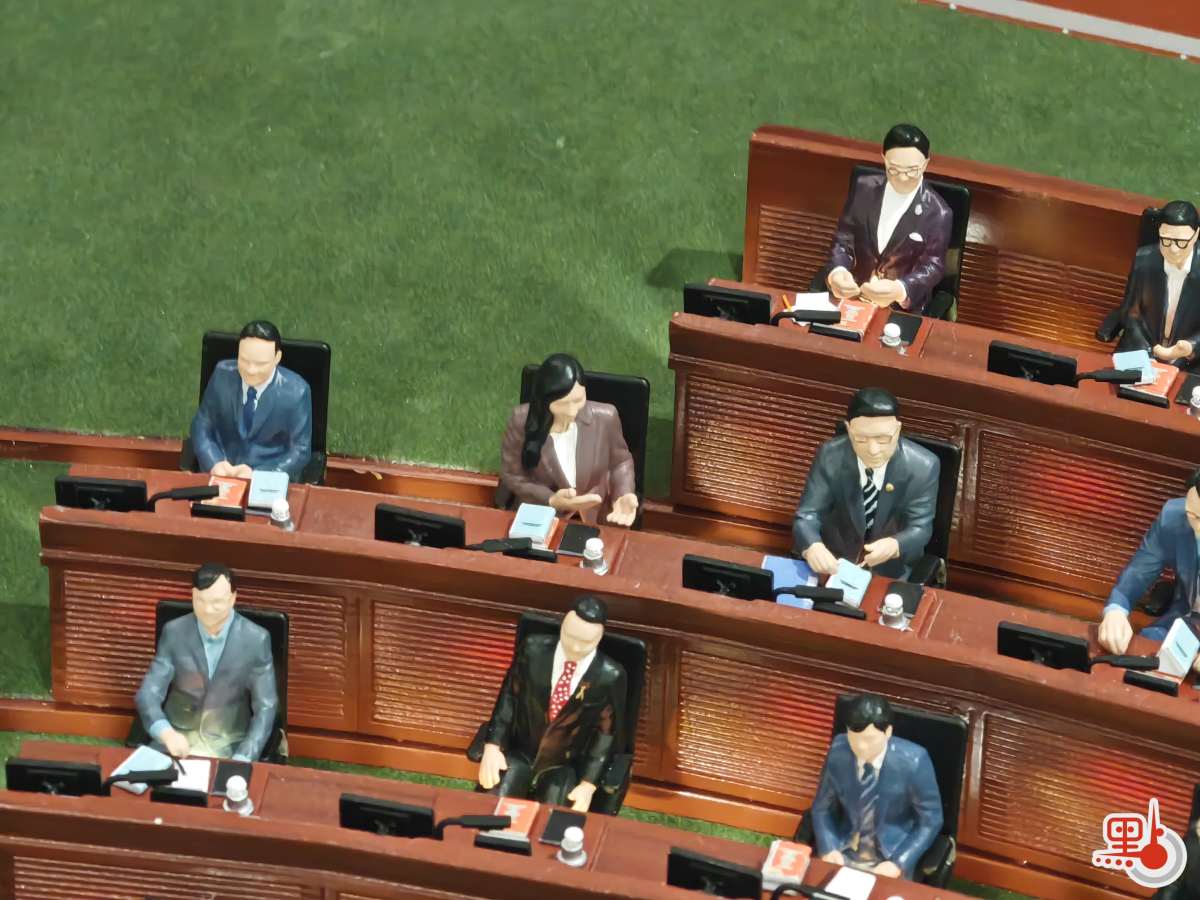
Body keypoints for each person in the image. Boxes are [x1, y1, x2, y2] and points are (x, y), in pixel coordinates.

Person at [477, 595, 626, 812]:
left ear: (600, 637)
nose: (575, 647)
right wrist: (493, 745)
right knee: (490, 811)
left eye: (586, 642)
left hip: (563, 765)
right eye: (570, 636)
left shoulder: (609, 676)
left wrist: (588, 784)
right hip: (520, 752)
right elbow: (509, 696)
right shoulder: (533, 650)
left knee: (556, 821)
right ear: (562, 626)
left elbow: (606, 735)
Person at [135, 563, 279, 761]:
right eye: (200, 600)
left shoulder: (256, 640)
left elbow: (266, 706)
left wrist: (244, 756)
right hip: (175, 742)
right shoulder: (174, 632)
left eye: (216, 602)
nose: (207, 610)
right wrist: (165, 733)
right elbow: (148, 693)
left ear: (233, 598)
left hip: (228, 745)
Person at [793, 388, 939, 579]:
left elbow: (921, 528)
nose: (872, 450)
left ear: (897, 430)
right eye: (861, 439)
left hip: (891, 570)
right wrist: (813, 546)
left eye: (883, 439)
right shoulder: (830, 456)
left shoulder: (923, 466)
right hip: (834, 564)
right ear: (849, 429)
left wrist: (895, 545)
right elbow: (807, 515)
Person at [823, 124, 953, 315]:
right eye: (894, 169)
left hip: (899, 309)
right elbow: (843, 240)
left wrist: (900, 289)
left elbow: (933, 265)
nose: (902, 178)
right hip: (853, 296)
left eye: (912, 170)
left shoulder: (938, 212)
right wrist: (838, 272)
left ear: (925, 164)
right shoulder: (863, 189)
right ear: (884, 159)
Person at [812, 694, 942, 881]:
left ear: (888, 732)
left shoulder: (914, 762)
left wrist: (899, 862)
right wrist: (829, 847)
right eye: (854, 738)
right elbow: (821, 808)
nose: (861, 747)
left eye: (869, 740)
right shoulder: (838, 754)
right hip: (844, 851)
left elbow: (931, 820)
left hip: (890, 856)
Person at [499, 353, 638, 526]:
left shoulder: (606, 418)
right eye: (562, 404)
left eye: (578, 400)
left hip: (595, 517)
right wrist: (551, 499)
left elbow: (620, 462)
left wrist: (624, 493)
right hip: (542, 515)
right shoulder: (521, 421)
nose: (572, 411)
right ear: (544, 400)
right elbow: (512, 474)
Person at [189, 320, 313, 482]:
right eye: (244, 360)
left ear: (277, 358)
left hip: (267, 477)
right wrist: (214, 462)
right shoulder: (221, 375)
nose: (251, 370)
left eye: (260, 364)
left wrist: (257, 475)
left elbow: (300, 450)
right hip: (223, 471)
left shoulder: (296, 392)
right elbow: (202, 425)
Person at [1098, 468, 1200, 658]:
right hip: (1184, 622)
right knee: (1138, 657)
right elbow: (1138, 572)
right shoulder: (1174, 517)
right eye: (1193, 515)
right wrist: (1116, 611)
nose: (1197, 528)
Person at [1116, 200, 1200, 370]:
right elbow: (1131, 312)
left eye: (1181, 242)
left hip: (1190, 359)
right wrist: (1152, 350)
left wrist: (1191, 346)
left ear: (1196, 234)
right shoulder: (1144, 260)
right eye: (1166, 240)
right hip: (1143, 347)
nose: (1174, 249)